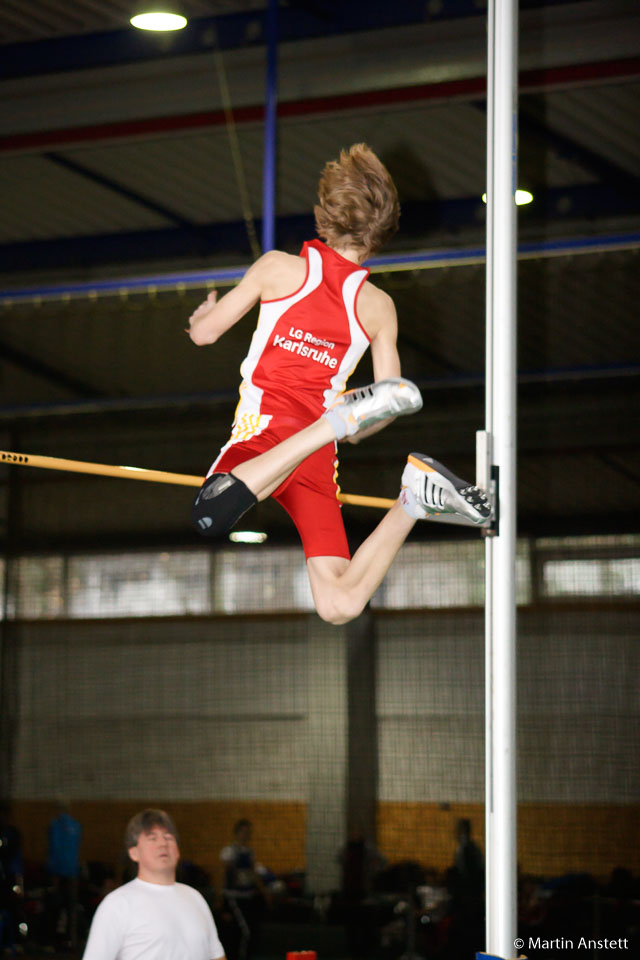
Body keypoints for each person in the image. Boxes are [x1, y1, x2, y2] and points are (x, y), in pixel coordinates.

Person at [188, 144, 490, 624]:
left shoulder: (278, 267)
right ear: (382, 234)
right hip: (315, 458)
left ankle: (326, 426)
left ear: (324, 213)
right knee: (339, 604)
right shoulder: (379, 307)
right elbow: (387, 405)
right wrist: (351, 426)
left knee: (212, 511)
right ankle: (413, 498)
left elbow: (204, 335)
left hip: (267, 436)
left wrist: (202, 316)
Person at [82, 809, 226, 960]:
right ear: (134, 853)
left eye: (168, 837)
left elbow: (217, 955)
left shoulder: (195, 897)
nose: (163, 843)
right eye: (152, 838)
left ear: (177, 851)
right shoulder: (117, 904)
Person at [219, 819, 267, 960]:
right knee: (244, 931)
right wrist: (221, 898)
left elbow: (253, 873)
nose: (246, 835)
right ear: (237, 833)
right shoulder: (229, 851)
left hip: (248, 896)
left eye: (248, 833)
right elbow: (224, 873)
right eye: (243, 832)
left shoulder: (250, 852)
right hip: (233, 897)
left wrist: (263, 892)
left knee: (248, 931)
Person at [46, 800, 82, 950]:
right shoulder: (76, 826)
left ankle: (55, 942)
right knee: (71, 910)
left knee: (55, 909)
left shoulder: (55, 826)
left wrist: (53, 873)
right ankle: (72, 941)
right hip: (72, 872)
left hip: (59, 873)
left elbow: (53, 848)